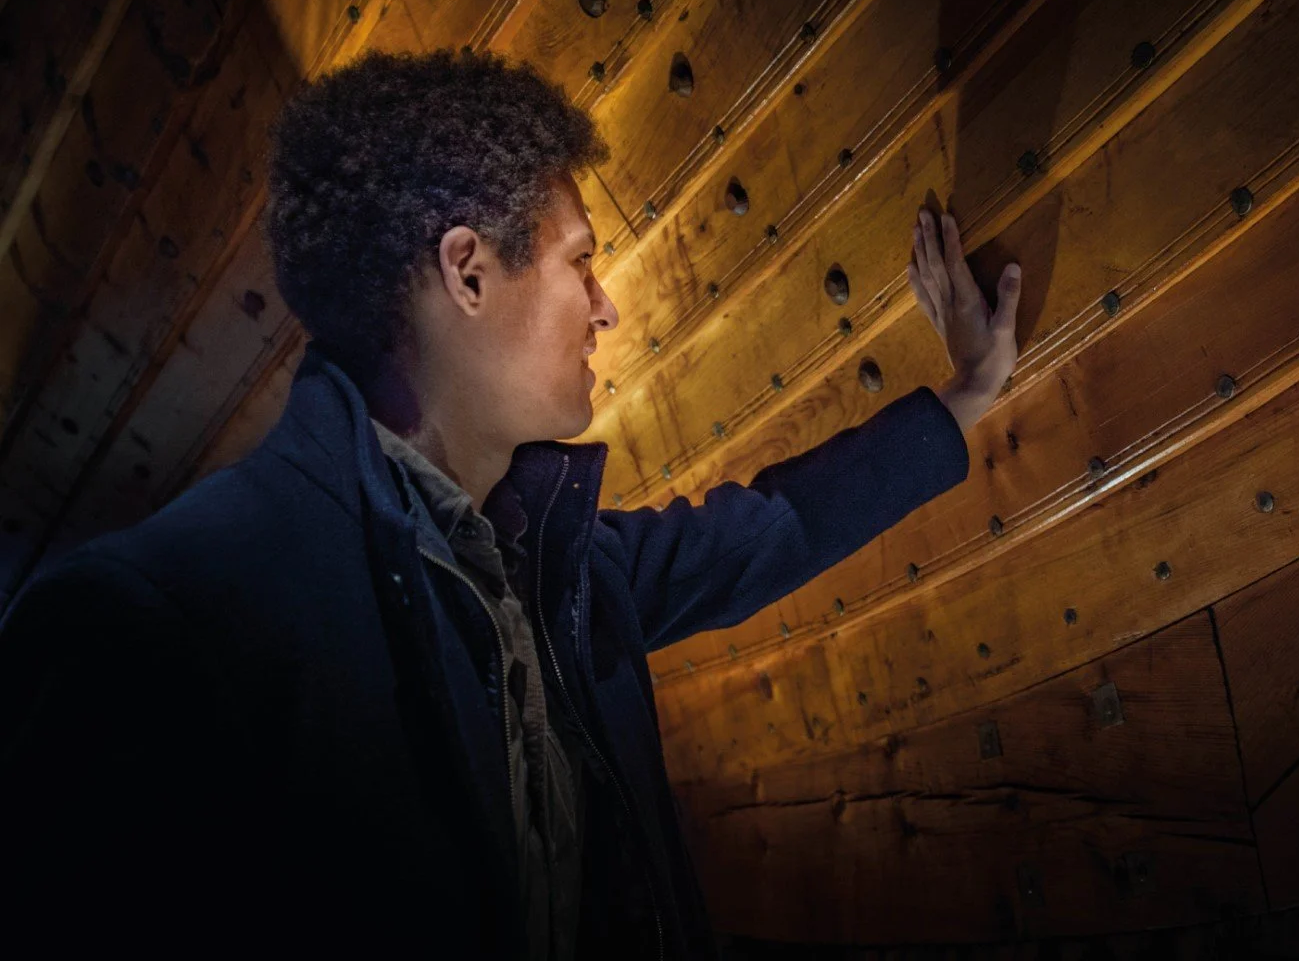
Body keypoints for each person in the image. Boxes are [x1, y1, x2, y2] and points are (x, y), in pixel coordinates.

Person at [0, 49, 1022, 959]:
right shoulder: (149, 618)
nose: (606, 305)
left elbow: (767, 531)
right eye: (581, 259)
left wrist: (966, 391)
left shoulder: (550, 559)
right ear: (468, 273)